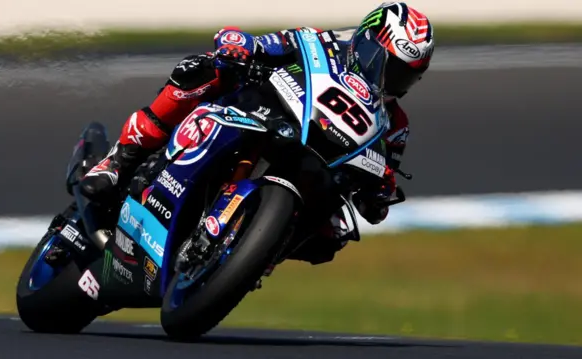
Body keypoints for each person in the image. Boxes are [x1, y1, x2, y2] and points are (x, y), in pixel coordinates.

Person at [79, 2, 435, 265]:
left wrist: (379, 196)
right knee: (201, 71)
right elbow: (262, 44)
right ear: (366, 43)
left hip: (316, 171)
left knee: (334, 235)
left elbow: (379, 194)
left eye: (405, 75)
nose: (393, 81)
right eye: (387, 65)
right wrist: (241, 46)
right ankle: (119, 160)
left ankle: (249, 258)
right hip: (262, 117)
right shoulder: (321, 44)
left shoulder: (394, 124)